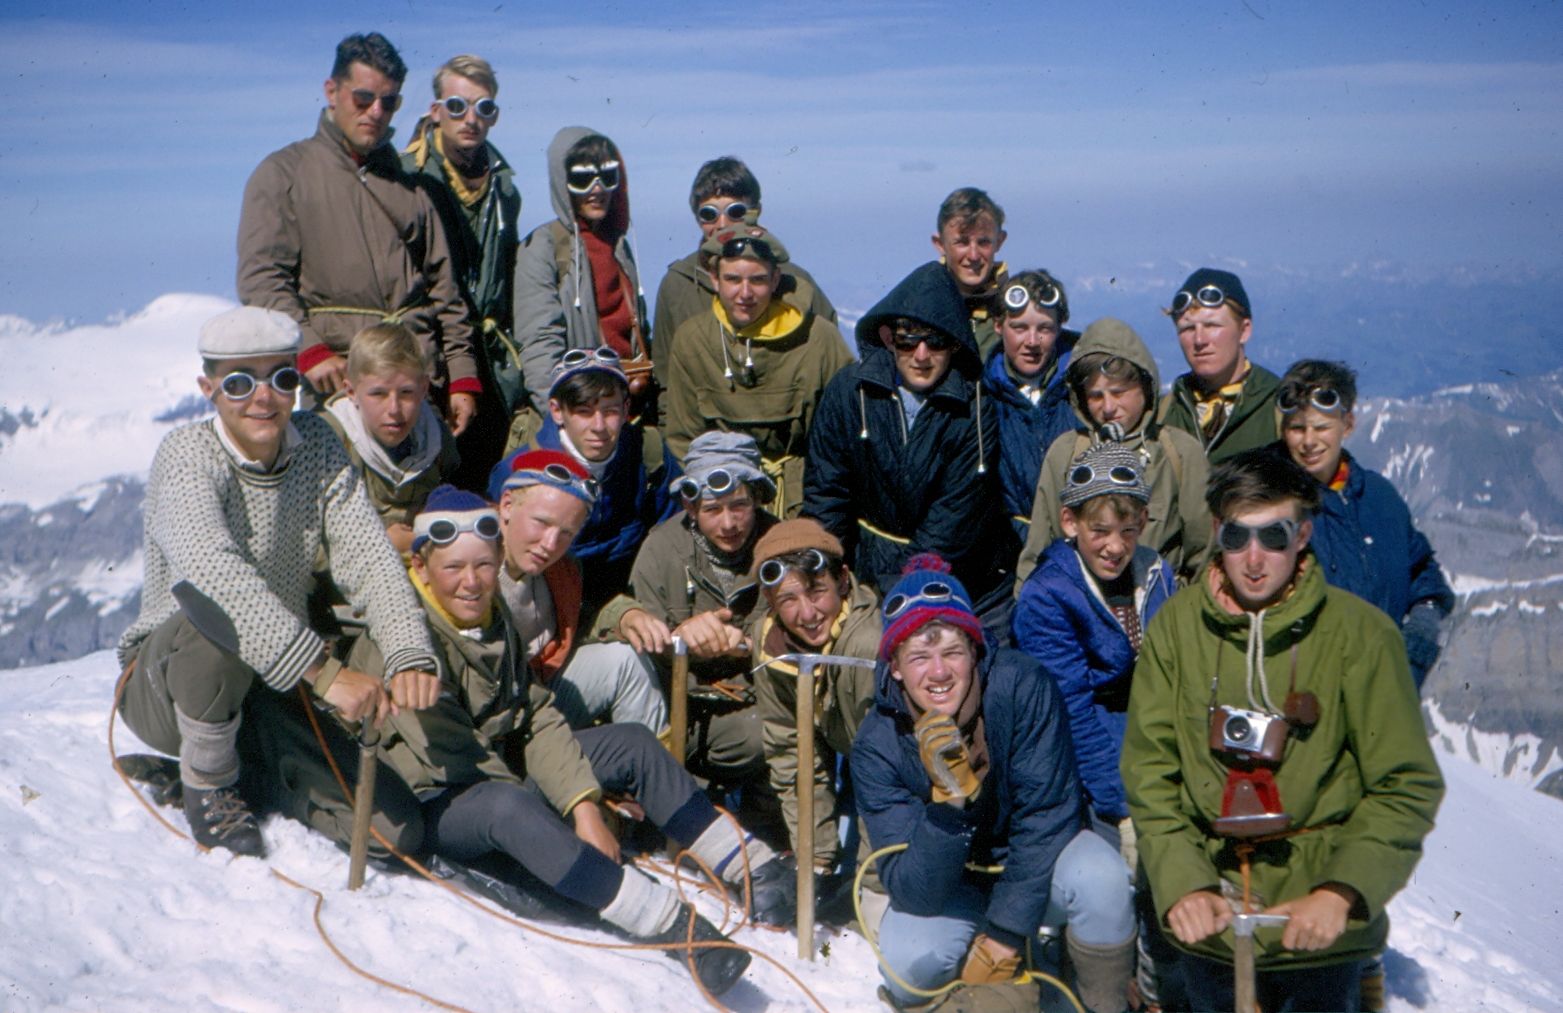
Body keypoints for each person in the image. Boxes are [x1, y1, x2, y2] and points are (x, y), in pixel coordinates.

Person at [348, 486, 795, 995]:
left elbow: (535, 711)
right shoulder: (407, 641)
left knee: (630, 743)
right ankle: (673, 927)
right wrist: (563, 811)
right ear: (423, 569)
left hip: (503, 764)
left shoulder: (492, 619)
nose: (471, 583)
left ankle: (750, 866)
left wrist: (582, 803)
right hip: (442, 797)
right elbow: (463, 760)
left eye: (484, 566)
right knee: (509, 806)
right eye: (453, 569)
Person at [1121, 449, 1445, 1013]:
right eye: (1237, 537)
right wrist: (1184, 884)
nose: (1253, 560)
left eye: (1273, 537)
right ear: (1216, 532)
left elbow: (1404, 783)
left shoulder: (1361, 636)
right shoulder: (1176, 629)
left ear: (1303, 536)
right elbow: (1150, 770)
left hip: (1317, 923)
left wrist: (1342, 891)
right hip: (1212, 915)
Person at [115, 306, 440, 858]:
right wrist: (325, 673)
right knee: (210, 620)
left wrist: (409, 651)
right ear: (209, 388)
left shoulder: (315, 444)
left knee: (392, 832)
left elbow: (367, 552)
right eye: (240, 382)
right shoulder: (187, 454)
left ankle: (255, 772)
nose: (264, 397)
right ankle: (209, 784)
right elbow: (213, 575)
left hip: (271, 677)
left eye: (281, 378)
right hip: (170, 685)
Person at [853, 556, 1137, 1013]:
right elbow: (913, 889)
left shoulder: (1023, 685)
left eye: (952, 652)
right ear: (897, 668)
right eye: (920, 656)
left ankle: (1098, 1004)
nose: (939, 672)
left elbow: (1048, 815)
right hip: (956, 883)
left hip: (1038, 860)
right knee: (909, 965)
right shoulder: (878, 742)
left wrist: (1005, 934)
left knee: (1102, 880)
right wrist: (948, 807)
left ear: (975, 649)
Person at [237, 32, 480, 434]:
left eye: (389, 102)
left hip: (419, 383)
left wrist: (462, 378)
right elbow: (261, 281)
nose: (376, 112)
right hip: (339, 384)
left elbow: (446, 293)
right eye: (363, 99)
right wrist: (309, 351)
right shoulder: (283, 175)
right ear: (331, 91)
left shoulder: (413, 188)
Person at [804, 261, 1011, 636]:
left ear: (954, 344)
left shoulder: (974, 408)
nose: (920, 354)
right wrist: (829, 575)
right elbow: (827, 492)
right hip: (858, 563)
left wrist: (902, 590)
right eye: (907, 338)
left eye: (935, 340)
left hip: (939, 574)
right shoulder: (851, 392)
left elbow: (952, 519)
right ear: (887, 338)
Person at [607, 432, 779, 833]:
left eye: (740, 506)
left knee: (769, 734)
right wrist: (678, 639)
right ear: (689, 504)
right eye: (713, 509)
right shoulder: (661, 548)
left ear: (757, 498)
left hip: (755, 704)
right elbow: (638, 643)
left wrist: (750, 642)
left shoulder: (781, 544)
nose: (729, 523)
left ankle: (764, 825)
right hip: (675, 706)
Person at [1014, 443, 1174, 845]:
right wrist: (1118, 802)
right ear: (1070, 522)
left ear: (1142, 520)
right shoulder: (1049, 595)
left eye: (1128, 531)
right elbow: (1070, 708)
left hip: (1155, 737)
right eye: (1099, 531)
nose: (1115, 547)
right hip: (1089, 757)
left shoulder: (1156, 572)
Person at [1275, 360, 1454, 690]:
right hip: (1310, 689)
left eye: (1322, 427)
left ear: (1348, 424)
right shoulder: (1275, 502)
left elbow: (1422, 568)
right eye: (1297, 428)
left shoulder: (1378, 497)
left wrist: (1421, 631)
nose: (1309, 442)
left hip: (1387, 686)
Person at [662, 224, 852, 517]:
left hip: (805, 495)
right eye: (733, 279)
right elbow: (683, 435)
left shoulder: (819, 339)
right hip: (722, 497)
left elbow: (844, 430)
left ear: (776, 279)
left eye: (758, 280)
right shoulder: (693, 340)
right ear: (714, 279)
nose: (745, 293)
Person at [1017, 318, 1212, 588]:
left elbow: (1204, 553)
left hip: (1160, 606)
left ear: (1145, 387)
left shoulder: (1178, 452)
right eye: (1096, 396)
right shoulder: (1066, 452)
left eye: (1119, 392)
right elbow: (1039, 549)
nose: (1108, 407)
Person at [401, 54, 522, 487]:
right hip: (429, 357)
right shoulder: (405, 179)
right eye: (457, 106)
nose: (470, 119)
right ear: (435, 111)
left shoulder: (505, 187)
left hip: (490, 365)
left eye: (483, 108)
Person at [488, 348, 678, 622]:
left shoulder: (649, 452)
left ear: (626, 409)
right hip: (552, 595)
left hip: (633, 586)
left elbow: (673, 530)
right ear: (557, 411)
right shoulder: (518, 470)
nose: (599, 426)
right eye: (583, 412)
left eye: (610, 411)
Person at [494, 450, 668, 735]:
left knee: (624, 660)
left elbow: (581, 615)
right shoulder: (469, 564)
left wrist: (624, 616)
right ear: (507, 505)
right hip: (485, 712)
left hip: (540, 686)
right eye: (542, 522)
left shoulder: (563, 569)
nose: (550, 544)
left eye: (566, 533)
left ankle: (656, 767)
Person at [747, 519, 880, 878]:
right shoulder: (771, 643)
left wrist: (872, 880)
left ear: (842, 580)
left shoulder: (870, 646)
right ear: (769, 600)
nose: (807, 614)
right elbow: (791, 752)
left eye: (817, 591)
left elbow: (889, 774)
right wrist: (816, 858)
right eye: (788, 599)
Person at [651, 156, 837, 404]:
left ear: (755, 212)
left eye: (735, 212)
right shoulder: (678, 286)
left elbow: (830, 367)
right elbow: (667, 382)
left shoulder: (795, 282)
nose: (723, 224)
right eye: (709, 214)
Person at [513, 126, 652, 425]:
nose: (597, 189)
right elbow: (539, 344)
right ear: (563, 182)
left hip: (623, 413)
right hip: (577, 418)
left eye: (608, 176)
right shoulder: (544, 246)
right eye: (582, 179)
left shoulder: (619, 246)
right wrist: (563, 421)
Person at [320, 322, 459, 558]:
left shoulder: (436, 437)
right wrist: (379, 544)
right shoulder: (326, 439)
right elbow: (301, 544)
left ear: (424, 388)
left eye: (406, 392)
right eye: (378, 394)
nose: (394, 409)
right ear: (350, 391)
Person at [980, 269, 1079, 546]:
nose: (1032, 342)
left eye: (1044, 329)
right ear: (999, 326)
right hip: (1006, 546)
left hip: (1075, 543)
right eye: (1020, 328)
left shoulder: (1082, 389)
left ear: (1060, 328)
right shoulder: (983, 394)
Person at [1157, 268, 1280, 464]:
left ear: (1244, 330)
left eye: (1212, 326)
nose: (1199, 340)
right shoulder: (1163, 413)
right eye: (1188, 329)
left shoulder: (1279, 408)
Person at [931, 187, 1010, 361]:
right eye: (962, 242)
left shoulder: (1014, 310)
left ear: (999, 241)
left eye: (983, 242)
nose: (973, 255)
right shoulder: (922, 306)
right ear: (940, 244)